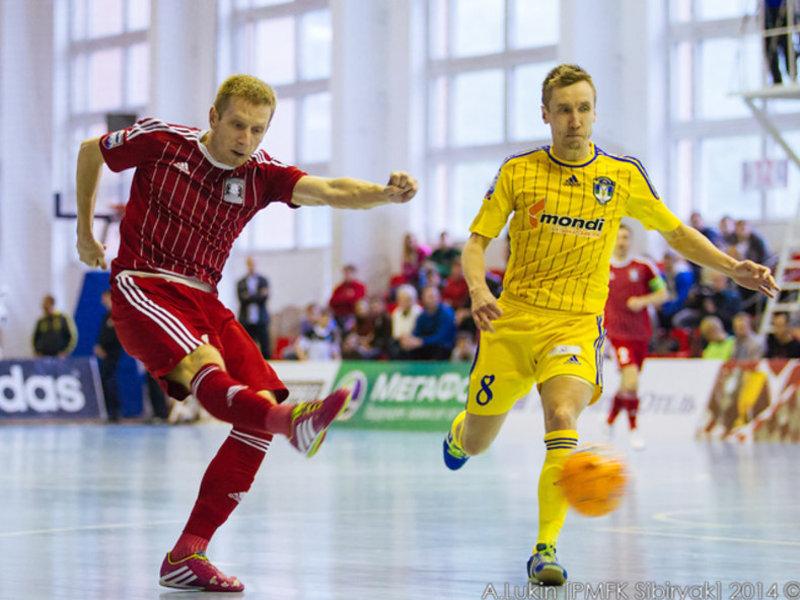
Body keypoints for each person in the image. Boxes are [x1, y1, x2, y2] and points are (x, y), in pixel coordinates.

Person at [75, 74, 417, 592]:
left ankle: (187, 553)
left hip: (206, 300)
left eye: (258, 130)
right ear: (213, 117)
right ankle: (290, 422)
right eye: (237, 125)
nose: (246, 139)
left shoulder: (260, 174)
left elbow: (329, 190)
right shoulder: (163, 141)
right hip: (143, 283)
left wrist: (385, 194)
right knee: (204, 366)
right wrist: (85, 233)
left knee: (255, 412)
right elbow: (90, 151)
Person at [440, 64, 777, 586]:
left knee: (561, 417)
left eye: (583, 108)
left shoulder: (622, 176)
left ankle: (544, 549)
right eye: (563, 110)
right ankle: (461, 435)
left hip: (574, 326)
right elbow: (477, 243)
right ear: (546, 115)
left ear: (595, 112)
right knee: (479, 440)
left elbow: (675, 232)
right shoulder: (517, 172)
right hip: (511, 324)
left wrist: (732, 267)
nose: (574, 120)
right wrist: (481, 291)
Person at [604, 224, 667, 450]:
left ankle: (610, 420)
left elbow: (663, 293)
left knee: (627, 383)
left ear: (630, 241)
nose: (622, 242)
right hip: (616, 334)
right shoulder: (602, 267)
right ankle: (633, 429)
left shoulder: (644, 267)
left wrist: (643, 301)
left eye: (625, 238)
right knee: (631, 381)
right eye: (618, 237)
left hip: (640, 333)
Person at [400, 285, 456, 360]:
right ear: (423, 299)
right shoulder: (422, 316)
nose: (433, 299)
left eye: (434, 296)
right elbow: (416, 333)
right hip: (426, 346)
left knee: (439, 348)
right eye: (429, 297)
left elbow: (441, 337)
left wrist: (422, 341)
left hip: (442, 346)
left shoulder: (446, 313)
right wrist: (409, 340)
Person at [94, 290, 124, 421]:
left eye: (105, 298)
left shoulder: (118, 314)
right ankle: (108, 411)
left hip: (113, 353)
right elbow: (103, 334)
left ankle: (115, 412)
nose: (103, 301)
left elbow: (118, 335)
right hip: (105, 354)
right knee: (104, 381)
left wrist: (107, 348)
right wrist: (99, 346)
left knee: (110, 381)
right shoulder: (107, 316)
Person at [236, 256, 271, 358]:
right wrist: (258, 295)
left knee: (265, 348)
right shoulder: (241, 282)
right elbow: (241, 299)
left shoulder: (263, 280)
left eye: (253, 264)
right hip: (246, 320)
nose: (251, 266)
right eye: (249, 264)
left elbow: (264, 298)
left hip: (261, 320)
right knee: (246, 348)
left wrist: (249, 296)